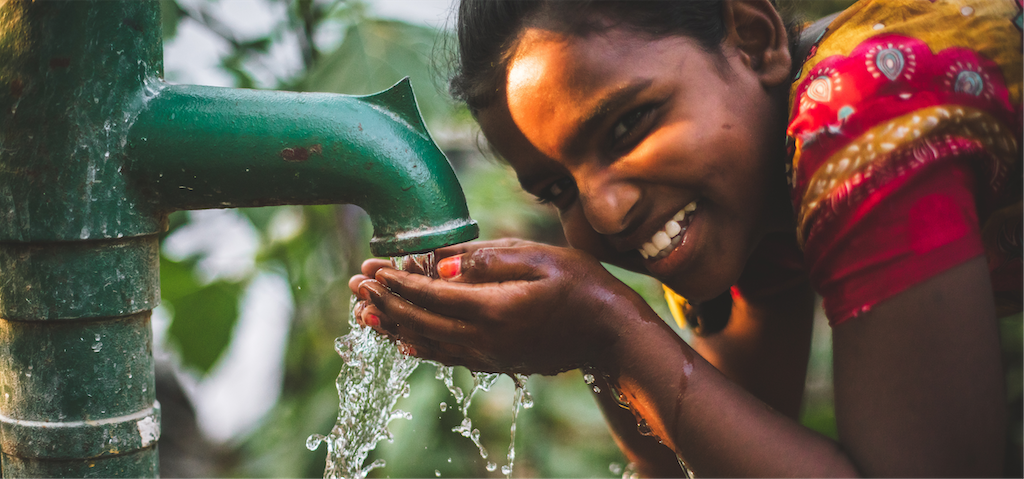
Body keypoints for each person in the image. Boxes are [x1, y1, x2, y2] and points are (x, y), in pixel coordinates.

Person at [348, 0, 1023, 476]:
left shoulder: (860, 115)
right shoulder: (751, 189)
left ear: (753, 37)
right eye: (558, 190)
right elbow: (693, 458)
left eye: (627, 126)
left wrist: (611, 329)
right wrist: (581, 334)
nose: (606, 214)